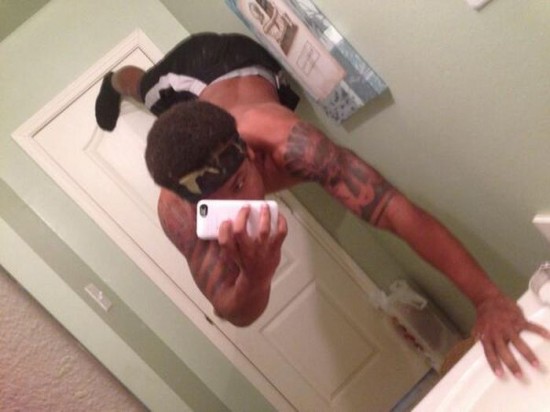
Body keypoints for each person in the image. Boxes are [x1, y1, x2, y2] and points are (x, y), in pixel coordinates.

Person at [95, 32, 549, 378]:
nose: (243, 205)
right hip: (188, 97)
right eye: (218, 204)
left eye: (240, 185)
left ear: (248, 153)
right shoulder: (176, 210)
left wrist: (488, 299)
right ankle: (112, 81)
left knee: (146, 85)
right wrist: (256, 276)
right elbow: (232, 310)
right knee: (141, 90)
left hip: (235, 61)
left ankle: (119, 79)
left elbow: (394, 210)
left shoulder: (290, 146)